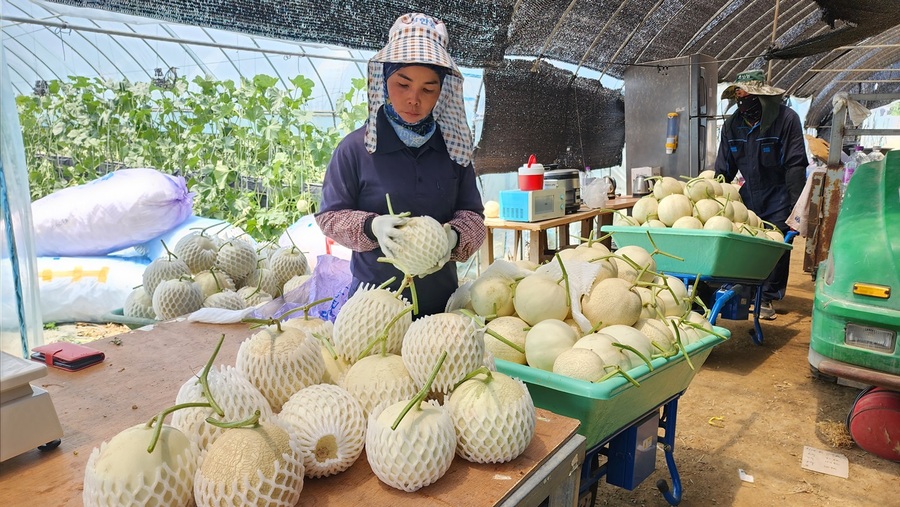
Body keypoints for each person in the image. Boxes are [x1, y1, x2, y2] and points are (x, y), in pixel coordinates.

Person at [315, 13, 485, 317]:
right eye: (402, 84)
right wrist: (372, 226)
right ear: (383, 80)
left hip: (440, 307)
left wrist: (453, 237)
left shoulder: (454, 150)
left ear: (442, 92)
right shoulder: (355, 148)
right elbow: (330, 217)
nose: (413, 99)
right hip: (371, 308)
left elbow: (474, 218)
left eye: (428, 89)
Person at [715, 69, 806, 320]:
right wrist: (713, 197)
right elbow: (723, 169)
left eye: (748, 95)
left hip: (779, 194)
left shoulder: (786, 119)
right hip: (748, 196)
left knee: (776, 246)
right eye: (739, 96)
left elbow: (795, 165)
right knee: (745, 245)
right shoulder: (732, 125)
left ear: (762, 96)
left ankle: (767, 298)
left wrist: (796, 209)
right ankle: (743, 292)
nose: (743, 101)